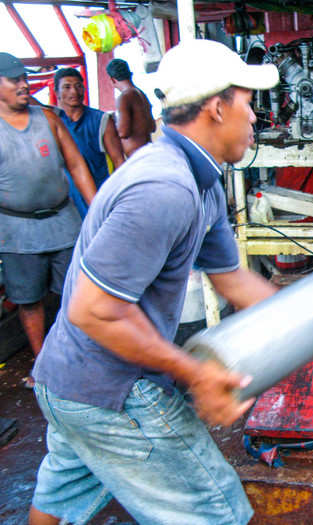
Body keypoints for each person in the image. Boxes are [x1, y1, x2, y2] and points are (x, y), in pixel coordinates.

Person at [28, 39, 280, 525]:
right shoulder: (163, 188)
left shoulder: (199, 179)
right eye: (248, 104)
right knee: (217, 512)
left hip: (68, 382)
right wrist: (194, 371)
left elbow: (232, 281)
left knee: (58, 500)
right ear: (217, 106)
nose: (254, 118)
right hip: (111, 390)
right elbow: (92, 310)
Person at [0, 52, 96, 388]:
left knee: (75, 294)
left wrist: (95, 208)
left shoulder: (48, 119)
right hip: (15, 229)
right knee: (28, 299)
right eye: (14, 80)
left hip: (63, 222)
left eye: (24, 78)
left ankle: (77, 359)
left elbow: (76, 165)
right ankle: (43, 367)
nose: (24, 85)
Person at [54, 67, 125, 217]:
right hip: (65, 202)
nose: (74, 91)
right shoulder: (52, 122)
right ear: (57, 93)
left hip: (99, 196)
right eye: (67, 87)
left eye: (78, 86)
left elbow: (119, 160)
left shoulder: (101, 120)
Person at [105, 58, 156, 157]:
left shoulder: (124, 97)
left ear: (112, 79)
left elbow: (123, 132)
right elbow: (152, 127)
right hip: (149, 151)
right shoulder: (141, 94)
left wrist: (110, 123)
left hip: (137, 156)